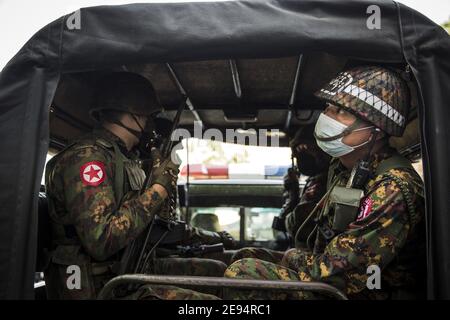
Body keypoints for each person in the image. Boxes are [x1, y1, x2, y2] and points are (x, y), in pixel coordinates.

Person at [224, 65, 425, 300]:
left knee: (243, 271)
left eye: (342, 112)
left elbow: (336, 273)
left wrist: (292, 256)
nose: (328, 116)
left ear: (377, 130)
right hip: (333, 281)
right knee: (246, 254)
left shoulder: (392, 187)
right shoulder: (344, 169)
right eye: (329, 107)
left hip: (363, 292)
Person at [44, 72, 233, 299]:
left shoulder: (124, 159)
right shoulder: (88, 158)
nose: (147, 123)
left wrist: (159, 187)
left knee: (217, 273)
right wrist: (158, 190)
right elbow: (101, 240)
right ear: (132, 116)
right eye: (145, 116)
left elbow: (151, 226)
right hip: (98, 286)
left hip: (128, 271)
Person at [229, 124, 331, 263]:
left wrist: (293, 197)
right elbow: (282, 226)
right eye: (298, 151)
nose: (301, 156)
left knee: (244, 257)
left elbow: (294, 227)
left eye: (305, 149)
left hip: (314, 260)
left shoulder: (323, 184)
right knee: (244, 255)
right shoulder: (314, 181)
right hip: (303, 255)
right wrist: (292, 195)